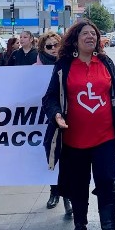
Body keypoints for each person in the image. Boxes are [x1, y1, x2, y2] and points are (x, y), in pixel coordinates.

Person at [41, 19, 115, 230]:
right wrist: (56, 115)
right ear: (75, 39)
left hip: (105, 139)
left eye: (94, 33)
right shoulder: (64, 66)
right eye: (85, 33)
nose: (90, 37)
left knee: (106, 185)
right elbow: (49, 98)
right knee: (78, 188)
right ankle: (80, 229)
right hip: (73, 141)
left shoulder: (106, 62)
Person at [35, 31, 72, 216]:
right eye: (48, 46)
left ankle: (67, 195)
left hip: (63, 117)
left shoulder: (69, 64)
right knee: (51, 155)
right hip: (40, 118)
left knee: (66, 156)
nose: (53, 49)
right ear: (43, 48)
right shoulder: (34, 68)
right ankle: (54, 191)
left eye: (56, 45)